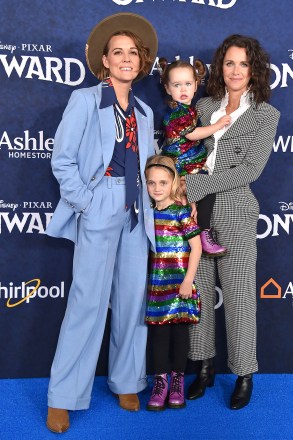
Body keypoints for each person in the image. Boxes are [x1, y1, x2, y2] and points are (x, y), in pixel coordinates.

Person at [45, 13, 158, 433]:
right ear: (105, 62)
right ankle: (63, 395)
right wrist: (88, 202)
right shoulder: (85, 100)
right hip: (100, 201)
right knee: (88, 301)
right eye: (118, 53)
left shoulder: (144, 112)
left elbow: (147, 166)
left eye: (132, 53)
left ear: (141, 61)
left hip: (137, 210)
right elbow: (63, 159)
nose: (126, 59)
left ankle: (127, 379)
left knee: (132, 301)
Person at [181, 34, 280, 409]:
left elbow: (251, 169)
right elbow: (183, 148)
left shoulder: (266, 115)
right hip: (194, 212)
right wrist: (184, 187)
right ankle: (203, 366)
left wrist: (196, 184)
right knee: (199, 293)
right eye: (229, 63)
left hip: (235, 211)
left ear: (254, 69)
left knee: (239, 299)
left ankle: (243, 373)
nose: (236, 70)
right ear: (220, 68)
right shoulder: (203, 106)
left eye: (243, 63)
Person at [144, 155, 202, 411]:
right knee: (158, 335)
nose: (157, 188)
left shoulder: (181, 212)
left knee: (179, 333)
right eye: (151, 183)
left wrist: (188, 280)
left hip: (181, 284)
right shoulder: (146, 214)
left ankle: (177, 380)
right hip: (157, 287)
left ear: (173, 183)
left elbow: (197, 247)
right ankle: (160, 382)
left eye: (163, 183)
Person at [159, 58, 230, 256]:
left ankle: (198, 234)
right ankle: (203, 234)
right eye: (176, 84)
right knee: (206, 190)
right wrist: (218, 125)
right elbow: (192, 134)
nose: (183, 89)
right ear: (167, 88)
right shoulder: (178, 114)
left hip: (190, 164)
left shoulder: (190, 110)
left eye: (188, 84)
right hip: (182, 166)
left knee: (195, 202)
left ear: (196, 85)